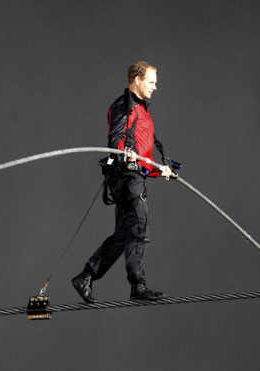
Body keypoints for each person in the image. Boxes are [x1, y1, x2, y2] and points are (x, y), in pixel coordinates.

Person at [72, 61, 172, 303]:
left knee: (125, 233)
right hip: (127, 179)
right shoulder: (124, 107)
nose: (155, 87)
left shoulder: (141, 109)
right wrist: (123, 151)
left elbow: (142, 155)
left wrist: (162, 170)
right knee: (140, 230)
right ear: (137, 80)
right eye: (151, 81)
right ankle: (138, 286)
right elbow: (117, 139)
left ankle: (86, 276)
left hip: (134, 176)